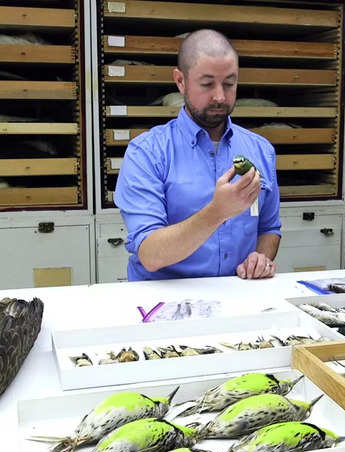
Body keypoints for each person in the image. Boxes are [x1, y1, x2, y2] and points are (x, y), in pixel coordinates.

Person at [114, 29, 281, 281]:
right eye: (207, 84)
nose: (220, 96)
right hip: (164, 304)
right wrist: (217, 212)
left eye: (229, 83)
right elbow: (150, 254)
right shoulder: (147, 153)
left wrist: (261, 257)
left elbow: (269, 228)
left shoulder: (261, 150)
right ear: (180, 81)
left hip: (239, 296)